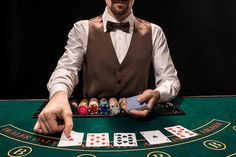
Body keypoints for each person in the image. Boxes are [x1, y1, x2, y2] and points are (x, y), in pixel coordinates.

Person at [34, 0, 181, 138]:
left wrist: (157, 93)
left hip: (139, 116)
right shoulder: (82, 28)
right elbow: (66, 69)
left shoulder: (154, 31)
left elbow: (170, 80)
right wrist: (59, 95)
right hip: (92, 118)